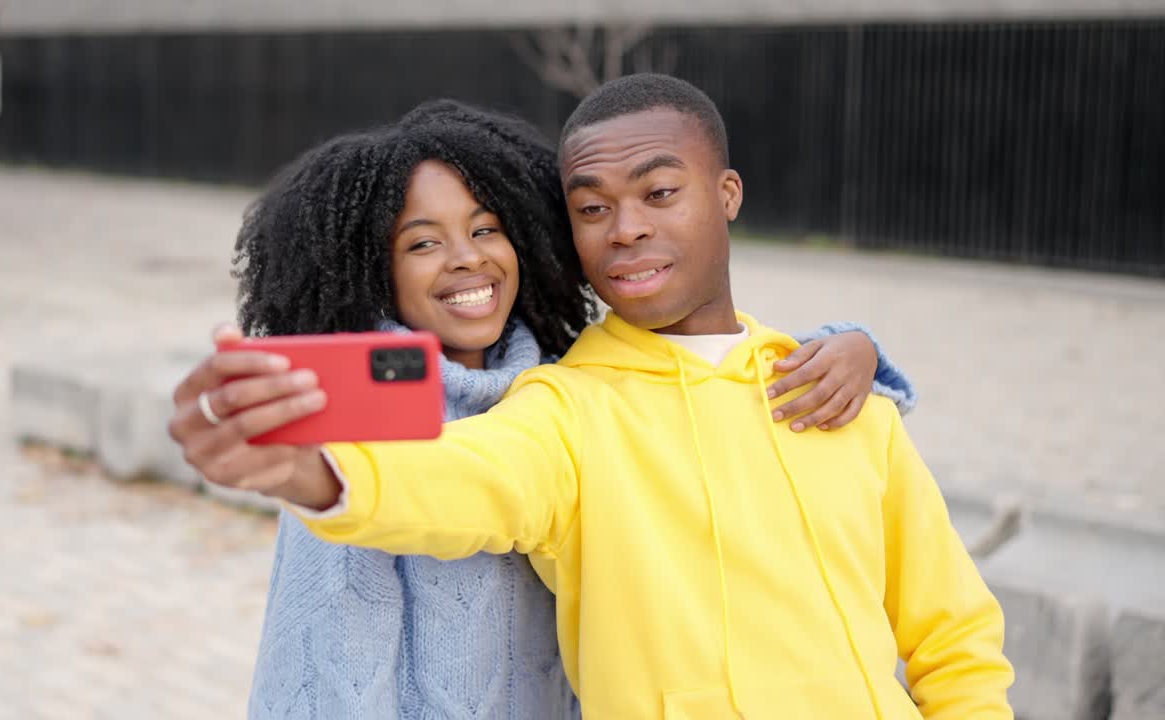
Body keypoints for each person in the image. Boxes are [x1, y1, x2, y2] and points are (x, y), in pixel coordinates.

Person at [170, 99, 920, 719]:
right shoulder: (360, 427)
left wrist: (849, 346)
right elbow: (326, 672)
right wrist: (310, 471)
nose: (467, 258)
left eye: (487, 229)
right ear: (375, 268)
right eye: (423, 242)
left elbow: (691, 374)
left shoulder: (560, 388)